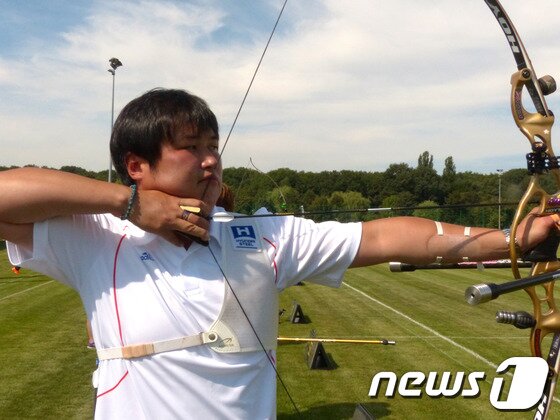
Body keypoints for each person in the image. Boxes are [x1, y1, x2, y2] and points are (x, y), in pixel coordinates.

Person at [0, 88, 556, 419]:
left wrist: (515, 240)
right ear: (136, 165)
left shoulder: (261, 235)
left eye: (213, 146)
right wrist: (132, 206)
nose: (211, 161)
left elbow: (387, 237)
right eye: (190, 149)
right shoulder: (97, 236)